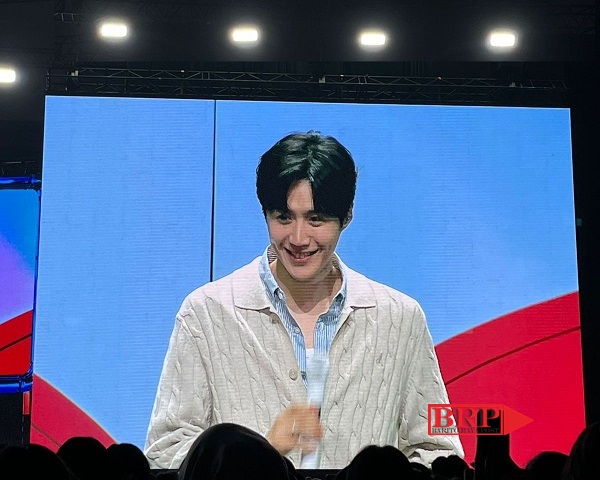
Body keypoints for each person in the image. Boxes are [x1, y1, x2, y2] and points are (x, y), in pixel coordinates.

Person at [144, 131, 463, 470]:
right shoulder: (206, 313)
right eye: (283, 217)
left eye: (316, 219)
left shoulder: (400, 318)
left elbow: (439, 452)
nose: (298, 238)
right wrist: (260, 452)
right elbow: (165, 451)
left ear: (347, 216)